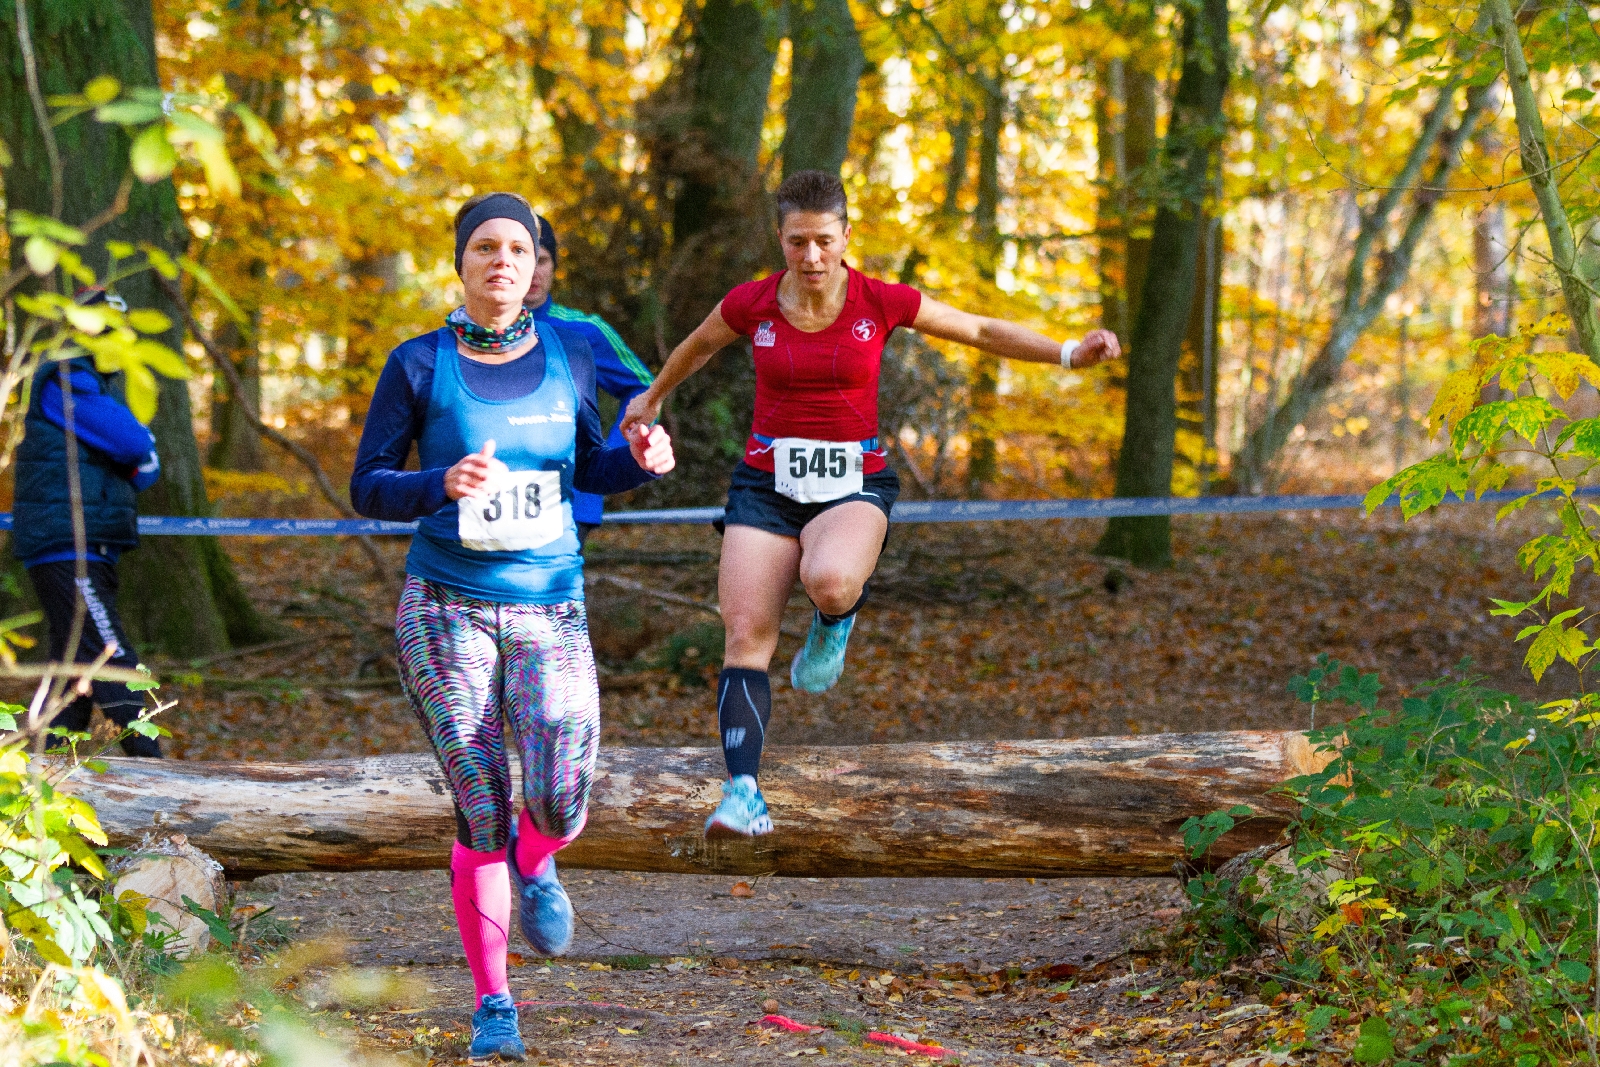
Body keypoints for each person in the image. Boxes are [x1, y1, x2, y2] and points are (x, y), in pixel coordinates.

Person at [619, 169, 1120, 840]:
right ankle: (743, 792)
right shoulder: (754, 303)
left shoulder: (880, 301)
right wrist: (652, 395)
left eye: (825, 241)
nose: (812, 257)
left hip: (853, 482)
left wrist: (1066, 352)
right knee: (745, 634)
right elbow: (699, 345)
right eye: (797, 242)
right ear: (780, 239)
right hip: (765, 484)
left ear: (847, 236)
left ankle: (836, 622)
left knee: (829, 580)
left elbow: (979, 330)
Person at [350, 192, 674, 1063]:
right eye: (484, 248)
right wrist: (435, 484)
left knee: (560, 797)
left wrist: (637, 465)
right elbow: (367, 484)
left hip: (550, 603)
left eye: (518, 249)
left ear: (537, 268)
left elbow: (590, 466)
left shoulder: (572, 353)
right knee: (481, 796)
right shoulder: (417, 364)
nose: (502, 261)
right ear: (460, 264)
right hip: (445, 603)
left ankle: (540, 858)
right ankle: (495, 1002)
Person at [12, 286, 163, 758]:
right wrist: (135, 451)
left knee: (73, 664)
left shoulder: (88, 383)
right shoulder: (66, 378)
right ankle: (155, 770)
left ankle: (51, 775)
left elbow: (142, 465)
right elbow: (137, 447)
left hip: (85, 542)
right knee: (109, 656)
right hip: (68, 543)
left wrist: (133, 457)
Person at [522, 215, 656, 545]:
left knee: (554, 596)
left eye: (543, 260)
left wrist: (613, 454)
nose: (534, 273)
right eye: (525, 258)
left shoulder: (585, 330)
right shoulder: (472, 334)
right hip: (493, 502)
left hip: (571, 498)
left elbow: (644, 390)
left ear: (554, 266)